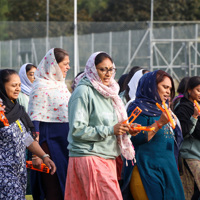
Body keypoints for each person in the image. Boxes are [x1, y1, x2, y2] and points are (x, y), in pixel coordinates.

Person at [64, 52, 139, 200]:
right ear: (92, 69)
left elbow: (114, 125)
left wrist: (127, 130)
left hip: (107, 156)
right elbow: (77, 130)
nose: (108, 74)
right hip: (88, 155)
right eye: (102, 69)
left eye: (111, 69)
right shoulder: (83, 91)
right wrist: (111, 130)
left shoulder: (111, 92)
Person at [122, 70, 185, 200]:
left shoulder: (164, 109)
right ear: (151, 86)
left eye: (170, 88)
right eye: (165, 87)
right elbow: (136, 138)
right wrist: (159, 123)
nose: (168, 92)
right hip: (147, 169)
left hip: (169, 169)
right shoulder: (138, 108)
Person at [0, 69, 56, 200]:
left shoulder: (17, 110)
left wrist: (44, 156)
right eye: (14, 85)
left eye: (19, 85)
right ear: (2, 86)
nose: (18, 89)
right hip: (3, 173)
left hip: (19, 172)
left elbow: (26, 138)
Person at [28, 48, 71, 200]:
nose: (68, 67)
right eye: (65, 64)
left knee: (66, 186)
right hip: (50, 145)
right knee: (52, 186)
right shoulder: (40, 87)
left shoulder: (61, 86)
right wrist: (37, 154)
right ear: (53, 65)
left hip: (65, 144)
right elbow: (34, 122)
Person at [174, 76, 200, 200]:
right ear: (189, 90)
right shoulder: (182, 108)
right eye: (198, 90)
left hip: (197, 154)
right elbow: (182, 132)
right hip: (189, 155)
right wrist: (194, 117)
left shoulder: (198, 106)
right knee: (188, 192)